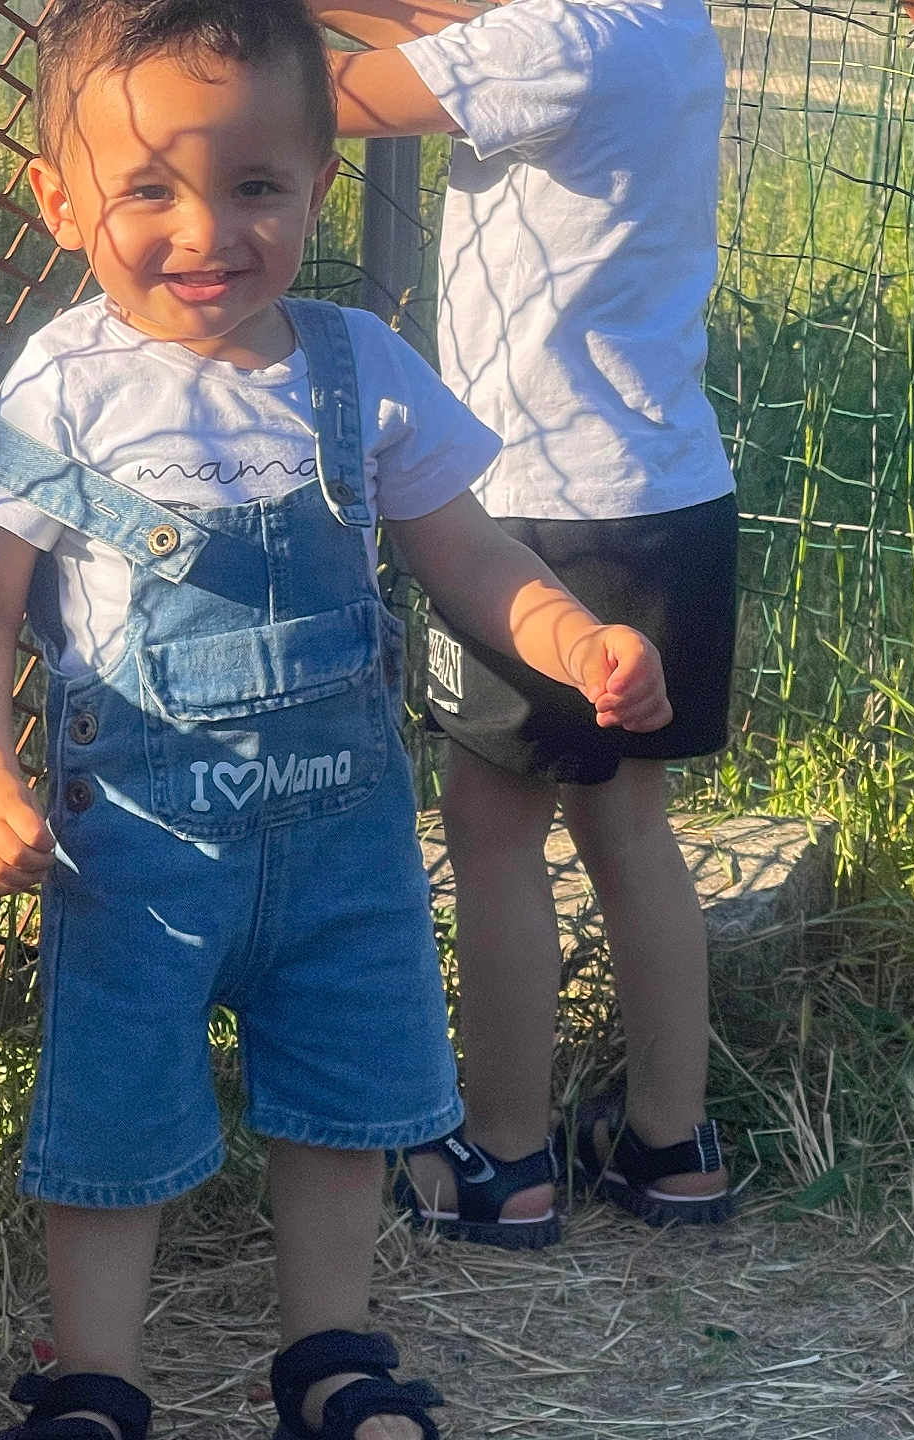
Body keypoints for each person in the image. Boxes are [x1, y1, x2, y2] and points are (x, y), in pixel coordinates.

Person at [0, 2, 671, 1436]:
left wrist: (569, 636)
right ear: (61, 198)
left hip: (341, 853)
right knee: (118, 1121)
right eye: (150, 187)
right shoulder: (63, 386)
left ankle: (332, 1357)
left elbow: (467, 552)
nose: (207, 231)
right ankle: (95, 1379)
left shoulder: (357, 370)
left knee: (338, 1109)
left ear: (319, 185)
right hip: (135, 855)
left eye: (255, 185)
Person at [311, 0, 739, 1248]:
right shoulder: (666, 26)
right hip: (670, 493)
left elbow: (335, 95)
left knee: (493, 836)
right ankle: (673, 1141)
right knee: (630, 828)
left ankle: (503, 1156)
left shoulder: (556, 40)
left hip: (540, 522)